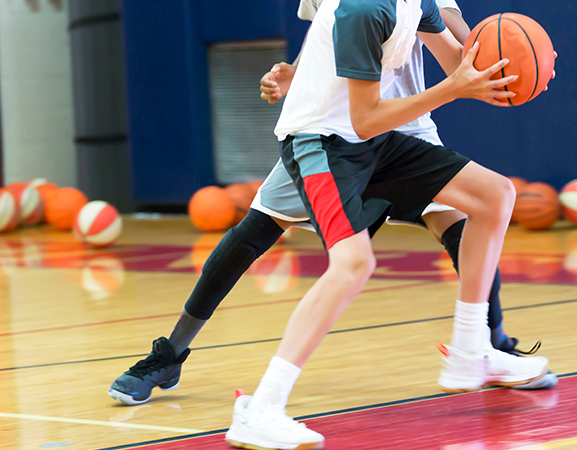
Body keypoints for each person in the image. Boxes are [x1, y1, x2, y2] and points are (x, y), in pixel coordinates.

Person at [107, 0, 555, 411]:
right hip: (330, 131)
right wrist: (295, 73)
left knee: (473, 215)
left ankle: (483, 346)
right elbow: (329, 35)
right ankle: (171, 354)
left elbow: (464, 44)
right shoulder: (358, 9)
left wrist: (514, 62)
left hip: (408, 125)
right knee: (257, 232)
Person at [222, 0, 555, 447]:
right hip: (322, 141)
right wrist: (453, 88)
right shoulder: (362, 9)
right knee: (353, 264)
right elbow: (366, 117)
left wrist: (517, 70)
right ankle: (260, 408)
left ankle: (470, 349)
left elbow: (460, 64)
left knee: (496, 196)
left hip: (374, 139)